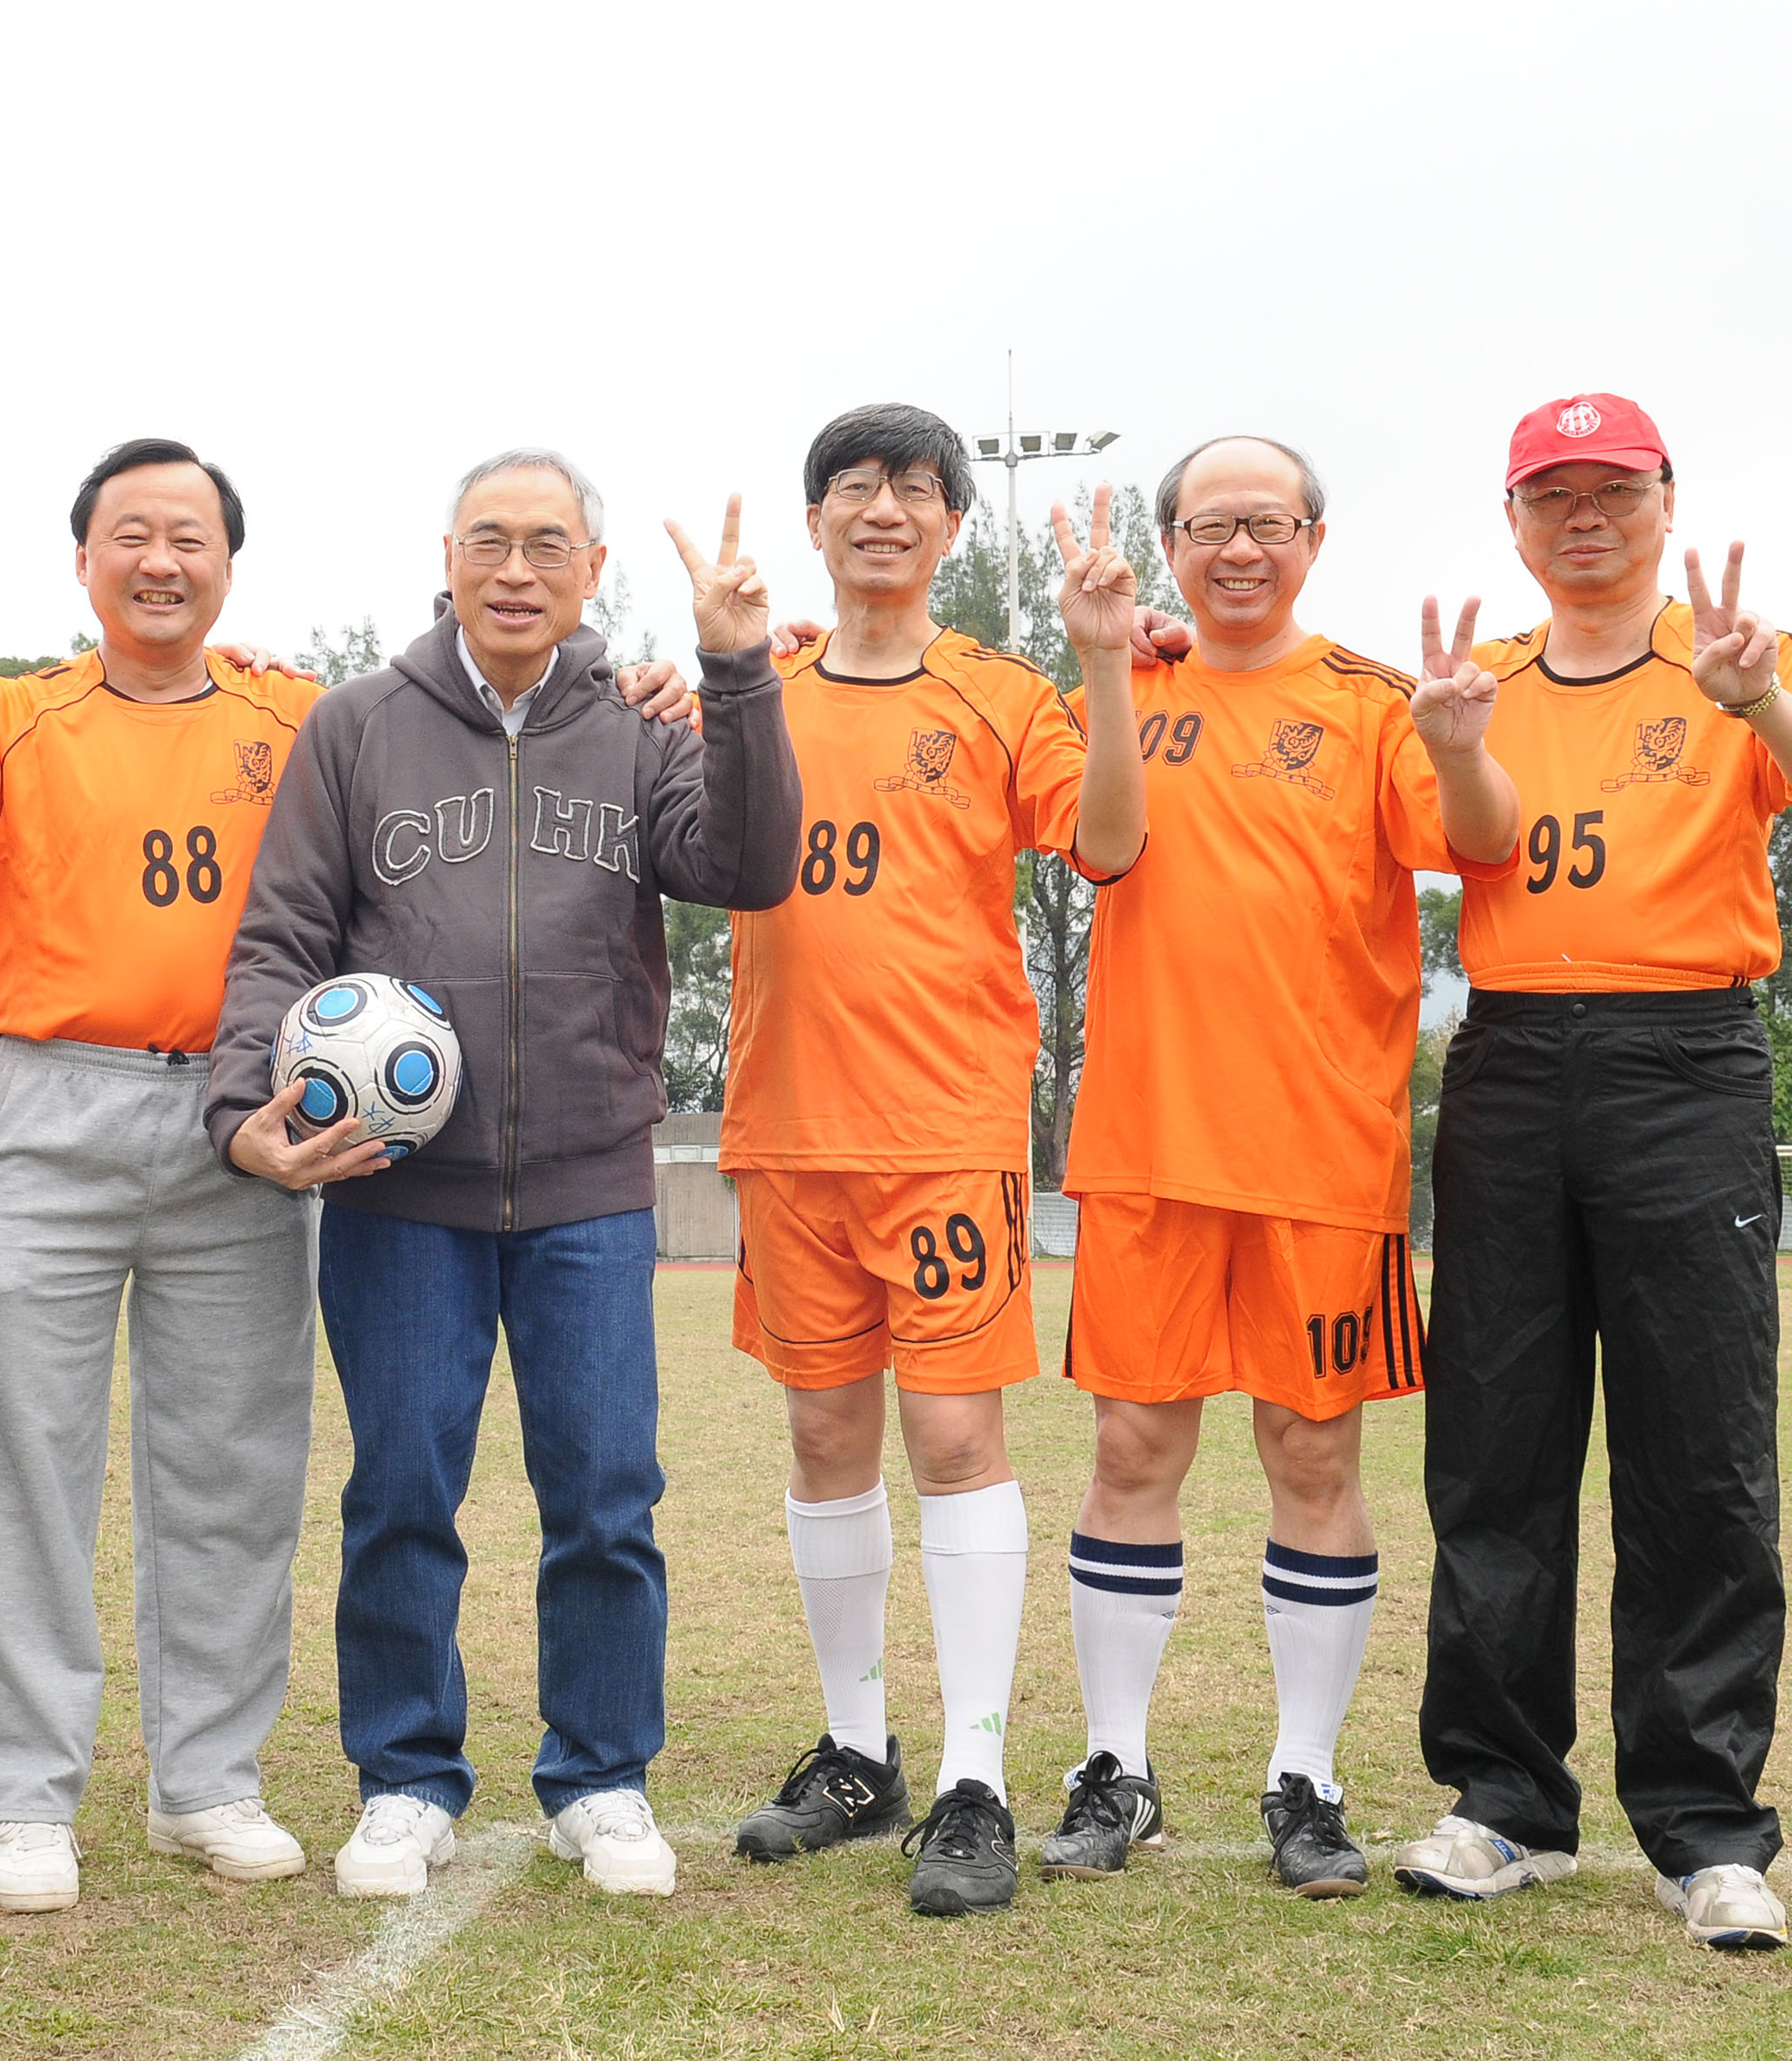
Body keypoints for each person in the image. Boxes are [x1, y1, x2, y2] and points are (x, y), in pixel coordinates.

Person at [0, 440, 698, 1913]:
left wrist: (659, 679)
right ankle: (31, 1797)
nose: (161, 561)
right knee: (31, 1472)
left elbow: (490, 707)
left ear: (229, 563)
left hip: (268, 1121)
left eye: (190, 538)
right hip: (63, 1103)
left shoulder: (310, 713)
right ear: (82, 557)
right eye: (130, 535)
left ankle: (207, 1781)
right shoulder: (15, 714)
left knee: (231, 1475)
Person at [209, 449, 800, 1900]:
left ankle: (599, 1779)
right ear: (448, 554)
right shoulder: (355, 727)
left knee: (604, 1493)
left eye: (548, 544)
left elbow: (753, 862)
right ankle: (404, 1780)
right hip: (396, 1187)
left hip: (591, 1181)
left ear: (592, 569)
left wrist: (735, 674)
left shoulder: (648, 723)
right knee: (402, 1489)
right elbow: (281, 934)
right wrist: (242, 1103)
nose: (516, 569)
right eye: (490, 541)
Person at [1403, 394, 1792, 1951]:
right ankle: (1503, 1803)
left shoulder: (1741, 651)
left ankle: (1702, 1826)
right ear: (1514, 525)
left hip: (1684, 1062)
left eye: (1612, 490)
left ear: (1666, 500)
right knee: (1497, 1441)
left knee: (1698, 1450)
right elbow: (1475, 842)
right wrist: (1459, 747)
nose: (1584, 519)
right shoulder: (1474, 678)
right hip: (1510, 1057)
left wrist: (1755, 705)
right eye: (1551, 497)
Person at [1033, 435, 1521, 1900]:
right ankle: (1115, 1765)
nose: (1234, 549)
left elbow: (1484, 845)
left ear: (1313, 535)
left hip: (1322, 1155)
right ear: (1169, 545)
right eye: (1206, 526)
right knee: (1133, 1451)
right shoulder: (1123, 685)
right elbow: (1102, 854)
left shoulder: (1376, 705)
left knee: (1312, 1454)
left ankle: (1303, 1777)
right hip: (1148, 1147)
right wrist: (1110, 665)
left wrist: (1452, 742)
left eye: (1262, 523)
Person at [717, 404, 1145, 1917]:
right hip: (783, 1132)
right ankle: (855, 1754)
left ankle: (973, 1778)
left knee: (955, 1445)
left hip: (942, 1134)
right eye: (850, 488)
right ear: (815, 525)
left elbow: (1103, 845)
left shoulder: (1002, 692)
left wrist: (1099, 666)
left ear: (952, 526)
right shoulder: (748, 689)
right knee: (825, 1445)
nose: (880, 509)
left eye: (910, 489)